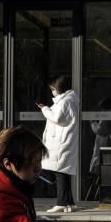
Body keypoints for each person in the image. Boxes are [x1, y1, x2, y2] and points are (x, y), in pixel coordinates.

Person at [38, 75, 80, 213]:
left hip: (61, 142)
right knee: (62, 173)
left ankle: (62, 202)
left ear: (57, 87)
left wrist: (45, 109)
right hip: (62, 141)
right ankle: (68, 203)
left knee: (60, 173)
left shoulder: (65, 102)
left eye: (52, 89)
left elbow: (58, 118)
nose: (52, 91)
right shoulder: (66, 101)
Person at [86, 97, 111, 200]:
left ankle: (101, 197)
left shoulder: (107, 115)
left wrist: (93, 122)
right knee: (107, 172)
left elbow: (101, 130)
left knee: (101, 172)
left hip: (104, 145)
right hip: (110, 146)